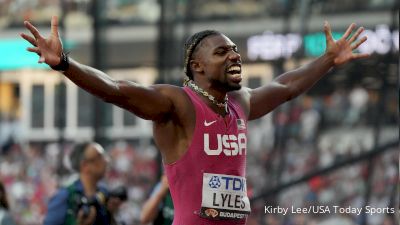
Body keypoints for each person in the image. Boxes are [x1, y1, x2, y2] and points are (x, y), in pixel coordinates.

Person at [21, 16, 369, 225]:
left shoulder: (240, 102)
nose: (235, 55)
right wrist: (65, 63)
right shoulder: (178, 105)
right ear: (198, 66)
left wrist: (327, 59)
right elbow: (116, 90)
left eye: (235, 49)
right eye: (222, 52)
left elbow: (286, 86)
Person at [43, 142, 111, 225]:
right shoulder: (65, 197)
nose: (107, 161)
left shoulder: (104, 193)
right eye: (100, 157)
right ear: (85, 165)